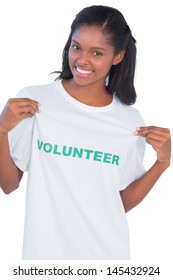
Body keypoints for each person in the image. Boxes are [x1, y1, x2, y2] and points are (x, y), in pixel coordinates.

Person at [0, 5, 171, 260]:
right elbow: (9, 184)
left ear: (118, 56)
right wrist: (1, 130)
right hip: (43, 261)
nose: (82, 60)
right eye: (77, 46)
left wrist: (162, 163)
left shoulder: (128, 121)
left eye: (97, 52)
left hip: (107, 261)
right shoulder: (36, 101)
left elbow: (117, 204)